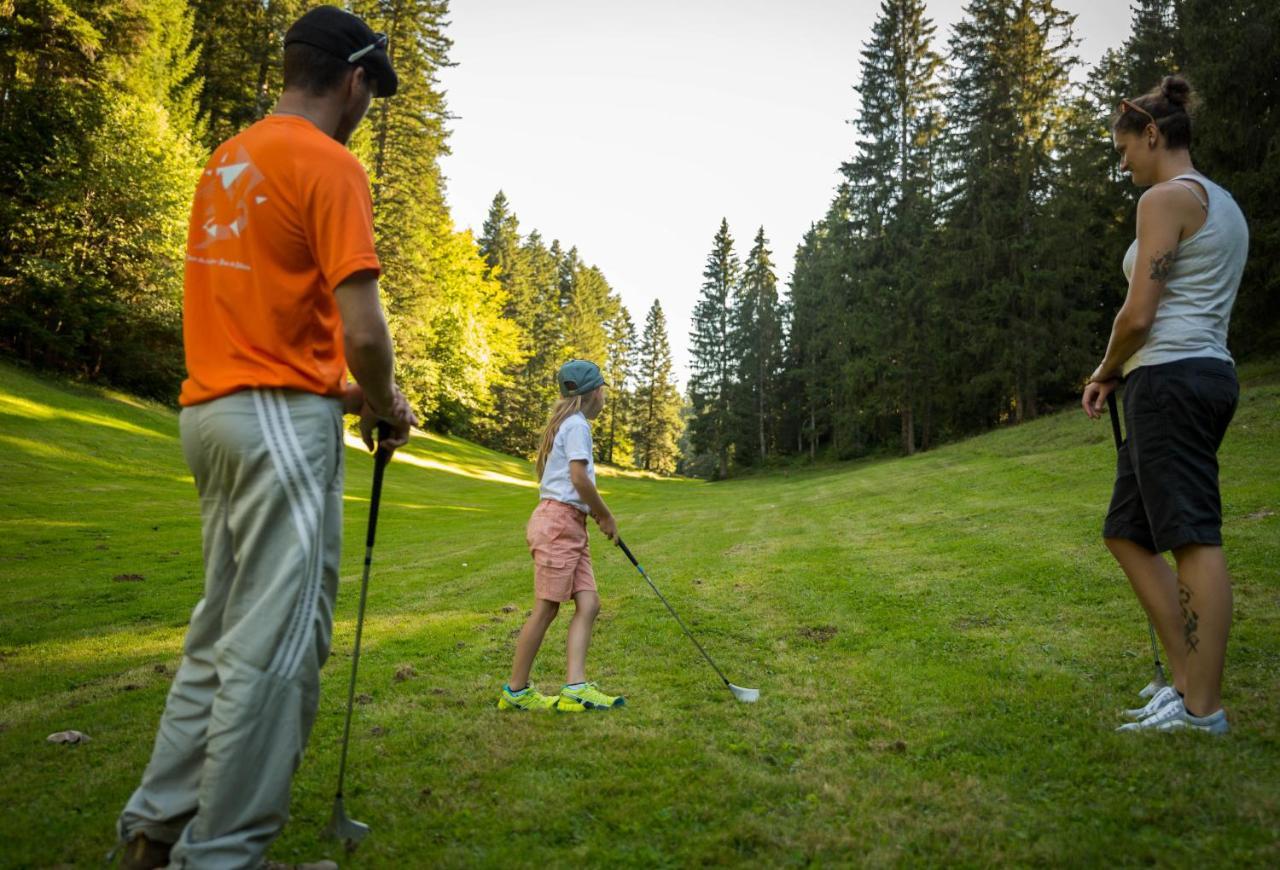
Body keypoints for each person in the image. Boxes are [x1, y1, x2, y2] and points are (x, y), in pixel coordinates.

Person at [115, 6, 418, 868]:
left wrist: (355, 394)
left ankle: (154, 830)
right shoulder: (329, 165)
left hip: (211, 417)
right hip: (279, 424)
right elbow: (362, 326)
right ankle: (223, 857)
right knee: (278, 647)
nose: (367, 108)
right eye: (372, 90)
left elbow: (272, 322)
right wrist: (386, 399)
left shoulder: (227, 158)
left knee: (219, 636)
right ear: (355, 81)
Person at [1081, 75, 1247, 735]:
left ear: (1153, 134)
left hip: (1172, 381)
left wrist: (1104, 369)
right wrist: (1127, 374)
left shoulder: (1164, 199)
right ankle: (1183, 681)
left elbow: (1139, 313)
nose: (1123, 166)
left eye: (1125, 151)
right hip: (1189, 375)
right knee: (1127, 530)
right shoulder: (1221, 203)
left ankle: (1203, 709)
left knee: (1192, 536)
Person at [499, 360, 626, 713]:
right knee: (546, 608)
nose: (604, 396)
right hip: (558, 525)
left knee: (589, 603)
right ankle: (516, 690)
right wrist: (606, 515)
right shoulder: (578, 426)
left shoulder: (571, 424)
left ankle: (575, 687)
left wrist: (591, 517)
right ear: (594, 392)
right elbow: (579, 479)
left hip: (570, 525)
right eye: (602, 389)